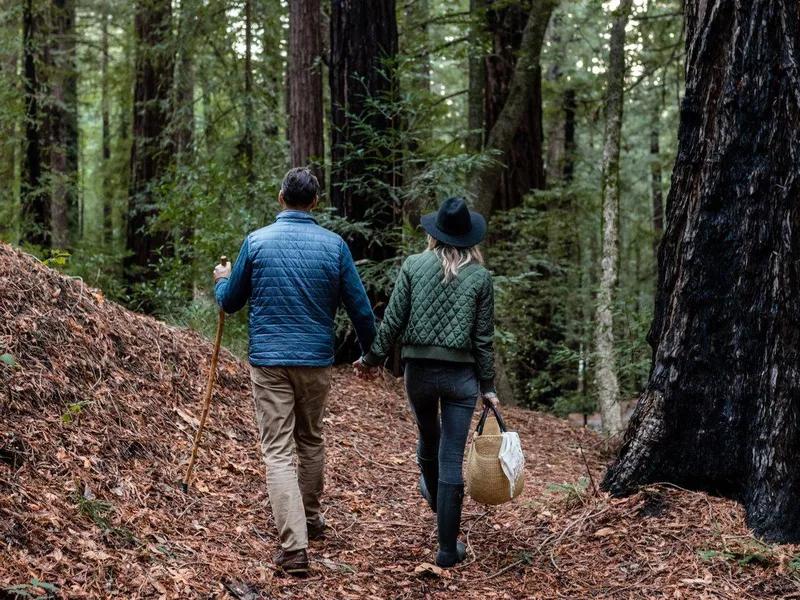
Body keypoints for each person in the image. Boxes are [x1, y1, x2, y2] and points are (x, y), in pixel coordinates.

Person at [214, 167, 376, 576]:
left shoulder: (257, 242)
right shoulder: (335, 246)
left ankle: (294, 547)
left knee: (278, 452)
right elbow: (360, 309)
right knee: (310, 439)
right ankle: (311, 520)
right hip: (316, 363)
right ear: (315, 203)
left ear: (281, 197)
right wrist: (372, 354)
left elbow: (230, 301)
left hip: (269, 363)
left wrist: (220, 281)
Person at [355, 197, 499, 568]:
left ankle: (435, 496)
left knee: (427, 437)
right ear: (469, 237)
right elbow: (483, 339)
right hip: (462, 380)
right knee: (451, 457)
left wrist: (370, 359)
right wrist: (488, 385)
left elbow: (393, 320)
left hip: (418, 374)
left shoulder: (414, 266)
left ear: (435, 234)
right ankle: (448, 549)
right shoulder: (481, 278)